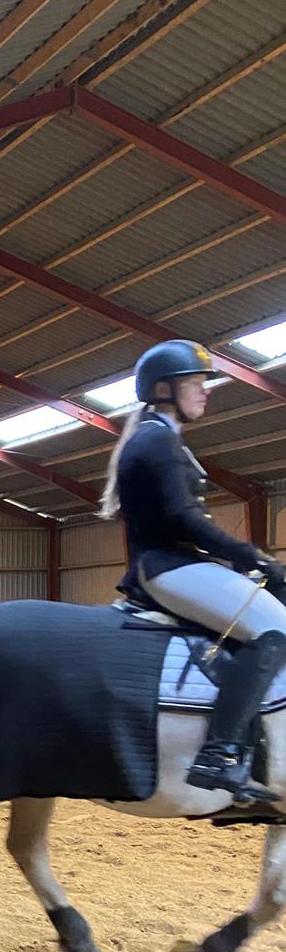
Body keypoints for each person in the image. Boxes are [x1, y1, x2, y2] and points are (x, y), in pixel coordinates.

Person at [101, 338, 286, 802]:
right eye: (196, 382)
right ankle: (220, 754)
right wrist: (255, 558)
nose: (205, 392)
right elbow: (184, 519)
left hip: (181, 563)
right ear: (164, 389)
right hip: (168, 567)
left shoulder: (161, 437)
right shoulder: (156, 439)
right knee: (274, 630)